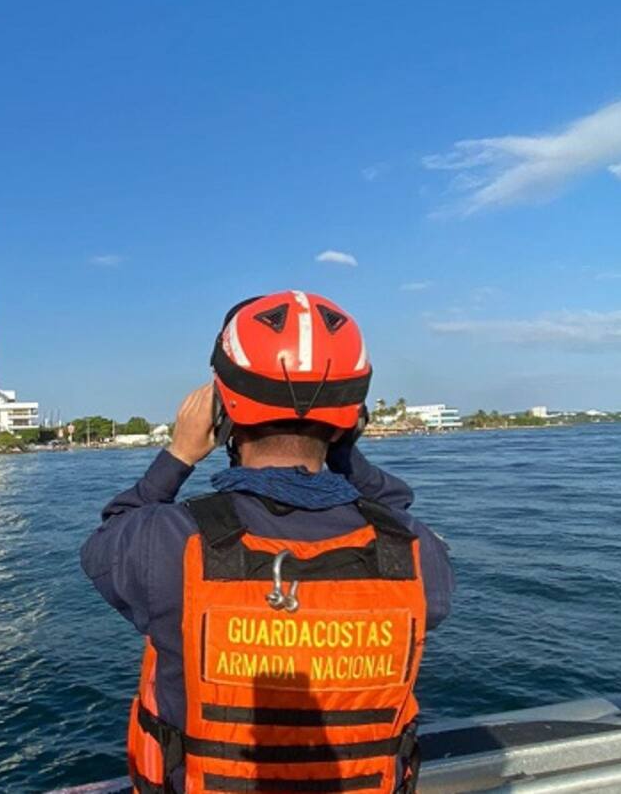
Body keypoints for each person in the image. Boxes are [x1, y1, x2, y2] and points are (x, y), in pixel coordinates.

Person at [80, 291, 454, 794]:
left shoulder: (169, 543)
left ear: (222, 410)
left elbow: (106, 538)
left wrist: (179, 454)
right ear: (352, 416)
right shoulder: (415, 555)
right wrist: (344, 450)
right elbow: (396, 511)